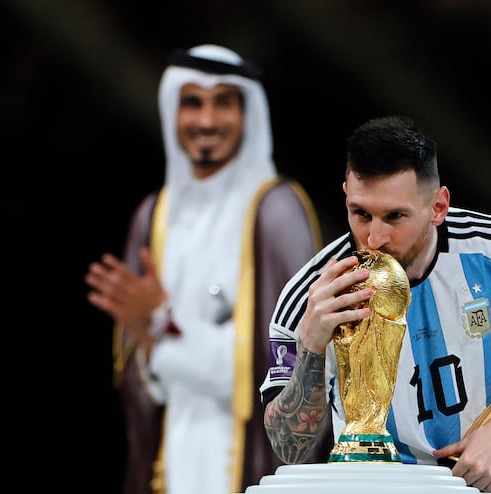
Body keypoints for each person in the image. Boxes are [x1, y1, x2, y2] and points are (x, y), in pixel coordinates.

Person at [260, 115, 491, 493]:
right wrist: (312, 345)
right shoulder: (308, 296)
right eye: (360, 214)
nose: (375, 238)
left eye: (395, 216)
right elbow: (291, 447)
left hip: (478, 486)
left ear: (438, 206)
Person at [85, 44, 333, 494]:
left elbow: (283, 367)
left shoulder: (275, 212)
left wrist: (159, 331)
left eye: (223, 102)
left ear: (247, 112)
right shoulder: (154, 216)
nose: (206, 120)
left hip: (248, 463)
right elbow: (139, 381)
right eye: (192, 103)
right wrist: (151, 341)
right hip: (175, 456)